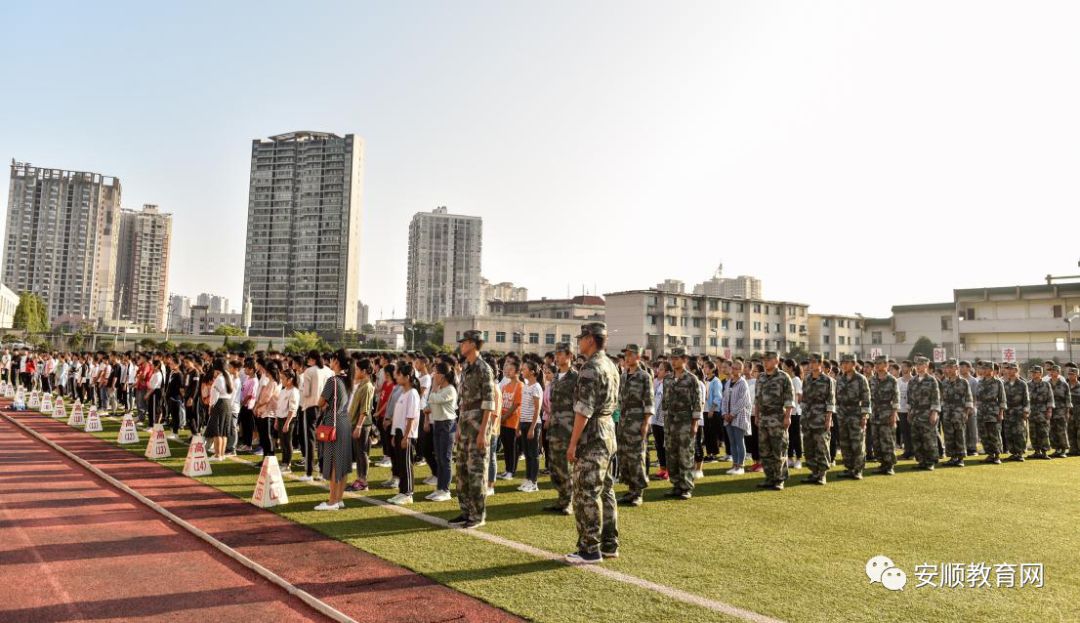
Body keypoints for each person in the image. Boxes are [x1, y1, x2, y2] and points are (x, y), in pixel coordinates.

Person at [565, 322, 619, 565]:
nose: (579, 341)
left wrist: (573, 443)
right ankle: (609, 544)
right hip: (607, 430)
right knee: (606, 490)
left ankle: (590, 548)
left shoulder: (590, 368)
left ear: (590, 339)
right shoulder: (610, 364)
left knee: (586, 492)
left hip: (593, 433)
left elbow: (583, 411)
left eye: (582, 337)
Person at [448, 330, 496, 529]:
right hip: (466, 425)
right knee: (462, 472)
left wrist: (484, 431)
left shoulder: (484, 369)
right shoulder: (467, 367)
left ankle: (477, 515)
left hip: (478, 426)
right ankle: (466, 510)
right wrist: (459, 426)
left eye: (465, 342)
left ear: (473, 344)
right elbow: (463, 403)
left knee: (476, 472)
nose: (461, 345)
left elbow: (489, 403)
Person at [314, 351, 355, 511]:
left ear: (336, 361)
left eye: (331, 359)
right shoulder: (348, 380)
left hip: (334, 423)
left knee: (333, 464)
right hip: (345, 422)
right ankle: (339, 498)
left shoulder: (333, 380)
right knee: (342, 464)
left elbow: (320, 402)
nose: (329, 361)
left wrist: (325, 405)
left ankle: (332, 501)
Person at [616, 344, 653, 507]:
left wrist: (646, 423)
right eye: (626, 355)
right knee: (625, 457)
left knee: (637, 457)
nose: (627, 358)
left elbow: (649, 402)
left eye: (630, 355)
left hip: (638, 422)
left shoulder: (644, 376)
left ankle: (638, 493)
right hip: (624, 422)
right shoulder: (624, 376)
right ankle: (631, 490)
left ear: (638, 357)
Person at [544, 342, 578, 514]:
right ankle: (561, 497)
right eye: (556, 353)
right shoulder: (556, 377)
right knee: (555, 465)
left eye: (561, 353)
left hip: (568, 429)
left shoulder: (576, 378)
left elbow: (580, 406)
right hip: (555, 428)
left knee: (567, 466)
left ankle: (569, 501)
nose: (557, 357)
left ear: (570, 356)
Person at [662, 348, 699, 500]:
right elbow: (665, 402)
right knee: (672, 455)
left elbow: (697, 403)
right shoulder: (668, 379)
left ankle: (686, 487)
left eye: (677, 358)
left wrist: (695, 423)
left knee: (685, 455)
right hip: (670, 423)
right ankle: (676, 485)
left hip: (685, 422)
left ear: (684, 360)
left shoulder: (691, 379)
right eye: (672, 358)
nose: (674, 361)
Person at [753, 352, 794, 490]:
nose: (765, 362)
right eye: (764, 360)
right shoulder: (761, 377)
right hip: (764, 418)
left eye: (768, 360)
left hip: (777, 418)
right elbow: (757, 399)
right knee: (765, 451)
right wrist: (757, 415)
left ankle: (779, 479)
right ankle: (769, 477)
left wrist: (788, 417)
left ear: (776, 360)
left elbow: (789, 400)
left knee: (779, 450)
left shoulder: (783, 377)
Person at [799, 353, 836, 484]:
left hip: (820, 418)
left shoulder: (827, 380)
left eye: (814, 362)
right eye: (810, 362)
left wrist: (828, 419)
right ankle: (814, 472)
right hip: (807, 418)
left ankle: (822, 474)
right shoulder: (807, 379)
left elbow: (831, 402)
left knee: (822, 446)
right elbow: (804, 399)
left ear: (820, 363)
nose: (811, 364)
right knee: (809, 447)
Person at [423, 362, 458, 501]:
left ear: (443, 376)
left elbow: (433, 399)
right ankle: (439, 488)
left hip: (447, 425)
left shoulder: (450, 389)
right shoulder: (439, 388)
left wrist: (434, 388)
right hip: (437, 424)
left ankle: (445, 490)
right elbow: (430, 402)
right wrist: (435, 388)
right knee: (439, 458)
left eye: (436, 373)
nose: (433, 375)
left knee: (445, 458)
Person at [388, 363, 420, 505]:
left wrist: (406, 436)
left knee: (407, 464)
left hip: (408, 435)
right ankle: (402, 491)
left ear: (407, 377)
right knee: (400, 464)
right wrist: (395, 434)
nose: (397, 377)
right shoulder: (403, 393)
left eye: (399, 374)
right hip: (400, 433)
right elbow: (399, 417)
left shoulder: (412, 394)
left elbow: (411, 417)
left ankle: (408, 493)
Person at [834, 354, 870, 480]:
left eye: (847, 362)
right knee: (845, 443)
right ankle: (849, 468)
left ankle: (858, 469)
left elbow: (866, 399)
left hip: (856, 414)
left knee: (857, 443)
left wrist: (864, 417)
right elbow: (836, 398)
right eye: (842, 362)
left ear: (854, 364)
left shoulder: (861, 379)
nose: (844, 365)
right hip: (842, 414)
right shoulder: (840, 379)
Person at [300, 351, 334, 482]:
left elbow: (306, 392)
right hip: (325, 407)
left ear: (312, 359)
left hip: (311, 406)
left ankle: (308, 473)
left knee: (310, 440)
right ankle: (322, 471)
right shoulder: (329, 371)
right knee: (323, 440)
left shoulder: (309, 371)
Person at [907, 356, 943, 470]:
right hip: (916, 413)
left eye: (921, 365)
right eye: (917, 365)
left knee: (929, 439)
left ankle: (930, 462)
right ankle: (921, 460)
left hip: (927, 413)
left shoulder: (932, 380)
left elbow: (936, 398)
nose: (918, 367)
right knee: (916, 438)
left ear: (926, 366)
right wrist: (910, 412)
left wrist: (934, 413)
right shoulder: (912, 380)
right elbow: (909, 398)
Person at [939, 360, 974, 467]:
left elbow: (968, 399)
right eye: (946, 368)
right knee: (949, 436)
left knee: (959, 436)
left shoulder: (963, 382)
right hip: (947, 413)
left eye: (950, 367)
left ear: (956, 368)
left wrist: (966, 413)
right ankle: (952, 457)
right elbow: (941, 398)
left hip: (959, 413)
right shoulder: (944, 382)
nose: (947, 370)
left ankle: (960, 458)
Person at [347, 360, 375, 491]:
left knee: (362, 452)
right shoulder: (360, 385)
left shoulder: (367, 386)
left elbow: (365, 409)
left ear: (364, 372)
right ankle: (359, 478)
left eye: (358, 370)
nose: (355, 372)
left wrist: (358, 427)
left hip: (362, 425)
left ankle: (363, 482)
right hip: (355, 422)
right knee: (358, 453)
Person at [868, 355, 899, 475]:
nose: (876, 365)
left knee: (888, 440)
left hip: (887, 414)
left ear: (886, 365)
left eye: (879, 363)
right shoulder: (872, 380)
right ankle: (882, 464)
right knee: (876, 441)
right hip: (875, 414)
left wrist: (893, 415)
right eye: (875, 363)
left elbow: (896, 399)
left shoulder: (892, 380)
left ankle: (889, 465)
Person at [721, 359, 752, 476]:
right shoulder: (728, 382)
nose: (733, 370)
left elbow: (743, 401)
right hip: (727, 417)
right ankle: (734, 464)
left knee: (739, 441)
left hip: (739, 417)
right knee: (732, 442)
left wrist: (732, 414)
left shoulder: (743, 383)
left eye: (736, 368)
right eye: (732, 367)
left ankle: (741, 465)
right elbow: (724, 399)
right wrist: (724, 413)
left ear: (741, 370)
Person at [517, 361, 544, 493]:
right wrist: (519, 425)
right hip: (523, 422)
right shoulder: (526, 386)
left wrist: (532, 427)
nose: (522, 371)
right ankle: (528, 479)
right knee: (527, 454)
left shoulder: (536, 387)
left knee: (533, 454)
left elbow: (537, 409)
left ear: (532, 372)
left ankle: (534, 482)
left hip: (532, 424)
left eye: (525, 369)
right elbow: (523, 408)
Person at [975, 361, 1006, 464]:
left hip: (993, 411)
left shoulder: (998, 382)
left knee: (994, 434)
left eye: (986, 369)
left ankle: (997, 455)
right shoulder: (980, 382)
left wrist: (1001, 413)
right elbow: (977, 397)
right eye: (982, 369)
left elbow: (1002, 399)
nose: (984, 371)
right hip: (981, 411)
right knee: (984, 434)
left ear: (992, 370)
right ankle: (989, 454)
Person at [204, 358, 234, 462]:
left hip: (219, 404)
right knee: (224, 432)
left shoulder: (219, 379)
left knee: (217, 431)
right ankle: (221, 454)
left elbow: (214, 396)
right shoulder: (229, 376)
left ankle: (217, 455)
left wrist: (211, 406)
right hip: (228, 403)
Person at [496, 360, 522, 481]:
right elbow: (501, 402)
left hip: (513, 422)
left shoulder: (520, 386)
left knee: (512, 448)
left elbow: (516, 404)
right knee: (506, 447)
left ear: (517, 371)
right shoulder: (505, 386)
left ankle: (511, 471)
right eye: (507, 369)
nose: (507, 371)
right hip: (503, 422)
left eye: (511, 369)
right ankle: (507, 470)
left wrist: (504, 417)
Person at [252, 360, 280, 462]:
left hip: (269, 414)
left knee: (267, 437)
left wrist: (257, 406)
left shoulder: (273, 383)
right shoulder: (270, 382)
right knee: (264, 438)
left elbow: (266, 399)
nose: (265, 372)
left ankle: (270, 458)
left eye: (266, 371)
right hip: (264, 413)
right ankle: (265, 459)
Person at [1026, 365, 1054, 460]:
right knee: (1033, 432)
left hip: (1043, 411)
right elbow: (1026, 399)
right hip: (1032, 411)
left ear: (1040, 374)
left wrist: (1049, 410)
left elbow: (1050, 398)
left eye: (1035, 372)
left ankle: (1044, 452)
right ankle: (1036, 451)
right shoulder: (1028, 384)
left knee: (1043, 432)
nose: (1033, 374)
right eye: (1032, 372)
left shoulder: (1046, 385)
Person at [276, 369, 300, 472]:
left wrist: (287, 423)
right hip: (281, 418)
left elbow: (292, 409)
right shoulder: (283, 390)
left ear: (290, 379)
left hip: (288, 420)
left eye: (283, 378)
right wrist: (277, 420)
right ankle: (283, 462)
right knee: (282, 442)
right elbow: (279, 406)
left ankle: (287, 464)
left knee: (287, 442)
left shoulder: (294, 391)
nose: (281, 380)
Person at [1047, 364, 1072, 458]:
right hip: (1051, 410)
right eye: (1050, 371)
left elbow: (1068, 399)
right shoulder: (1047, 383)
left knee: (1061, 430)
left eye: (1053, 371)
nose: (1051, 372)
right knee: (1052, 430)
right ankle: (1057, 449)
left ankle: (1063, 449)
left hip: (1061, 410)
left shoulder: (1064, 384)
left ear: (1058, 372)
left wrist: (1068, 411)